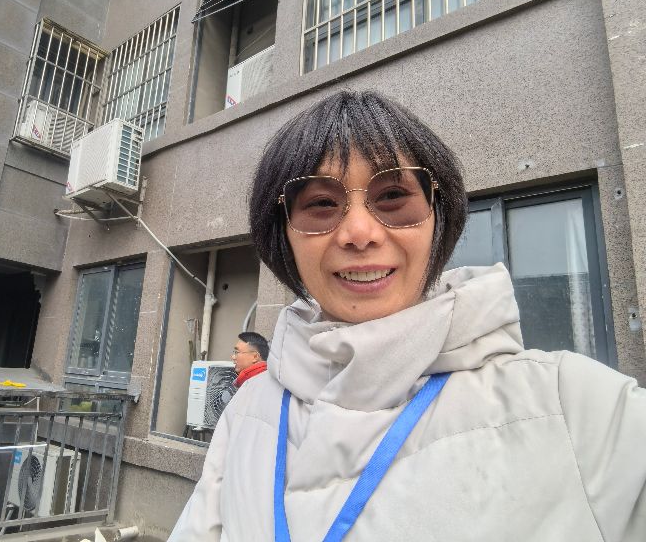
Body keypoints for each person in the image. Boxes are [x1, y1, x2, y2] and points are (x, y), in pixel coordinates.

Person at [168, 90, 646, 541]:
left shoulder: (577, 405)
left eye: (393, 197)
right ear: (282, 233)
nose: (359, 232)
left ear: (439, 216)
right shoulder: (247, 413)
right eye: (321, 204)